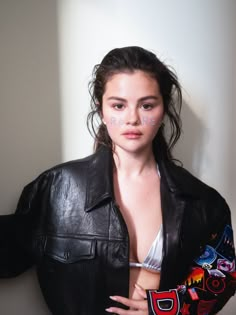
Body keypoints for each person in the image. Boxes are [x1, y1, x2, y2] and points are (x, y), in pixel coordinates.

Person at [0, 46, 235, 315]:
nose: (132, 119)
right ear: (101, 109)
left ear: (163, 110)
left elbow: (222, 277)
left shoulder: (203, 201)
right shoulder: (58, 188)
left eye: (147, 105)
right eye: (118, 105)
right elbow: (10, 253)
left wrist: (166, 307)